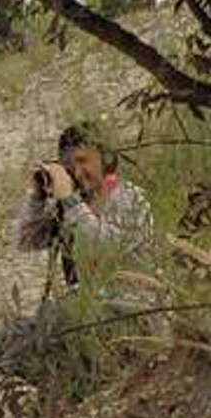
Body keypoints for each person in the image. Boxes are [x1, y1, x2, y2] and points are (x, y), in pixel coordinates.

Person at [13, 122, 156, 295]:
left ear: (105, 159)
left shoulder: (130, 198)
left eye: (82, 161)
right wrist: (39, 195)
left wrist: (71, 202)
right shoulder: (72, 204)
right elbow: (26, 241)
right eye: (69, 165)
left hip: (133, 301)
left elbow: (105, 248)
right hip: (92, 303)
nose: (77, 172)